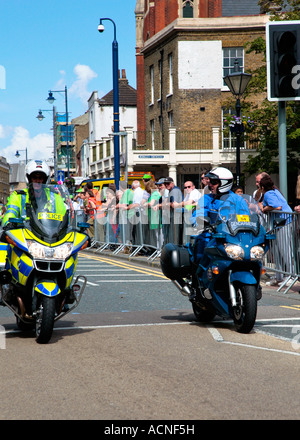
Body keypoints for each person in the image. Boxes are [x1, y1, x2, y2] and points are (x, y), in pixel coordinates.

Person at [190, 167, 249, 263]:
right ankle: (198, 275)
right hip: (211, 237)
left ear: (224, 183)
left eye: (213, 182)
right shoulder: (206, 198)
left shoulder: (238, 200)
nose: (210, 185)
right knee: (200, 254)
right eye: (209, 182)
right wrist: (199, 222)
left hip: (233, 239)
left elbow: (247, 218)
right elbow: (198, 214)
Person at [3, 160, 66, 227]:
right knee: (4, 236)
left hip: (49, 234)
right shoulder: (18, 195)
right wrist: (8, 223)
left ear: (45, 180)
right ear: (29, 179)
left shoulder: (55, 197)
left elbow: (64, 216)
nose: (37, 181)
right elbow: (10, 212)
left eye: (40, 178)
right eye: (34, 178)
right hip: (24, 234)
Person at [258, 174, 294, 285]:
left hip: (283, 223)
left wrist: (265, 208)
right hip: (281, 223)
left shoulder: (268, 193)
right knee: (278, 251)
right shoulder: (274, 191)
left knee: (285, 250)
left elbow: (277, 206)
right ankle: (279, 276)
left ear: (262, 187)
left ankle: (290, 276)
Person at [163, 177, 183, 245]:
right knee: (172, 236)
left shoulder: (175, 190)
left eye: (168, 183)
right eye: (165, 184)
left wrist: (167, 204)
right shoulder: (171, 190)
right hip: (174, 215)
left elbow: (174, 204)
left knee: (174, 236)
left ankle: (175, 251)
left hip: (176, 216)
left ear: (172, 183)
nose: (166, 185)